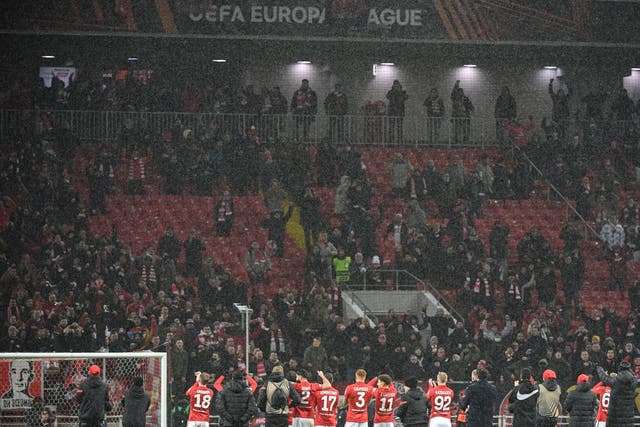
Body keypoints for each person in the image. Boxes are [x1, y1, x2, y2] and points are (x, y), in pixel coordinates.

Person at [597, 361, 640, 427]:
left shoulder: (615, 381)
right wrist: (629, 371)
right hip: (628, 418)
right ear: (629, 369)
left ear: (619, 369)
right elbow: (634, 377)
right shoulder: (633, 382)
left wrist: (600, 369)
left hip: (615, 418)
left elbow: (604, 378)